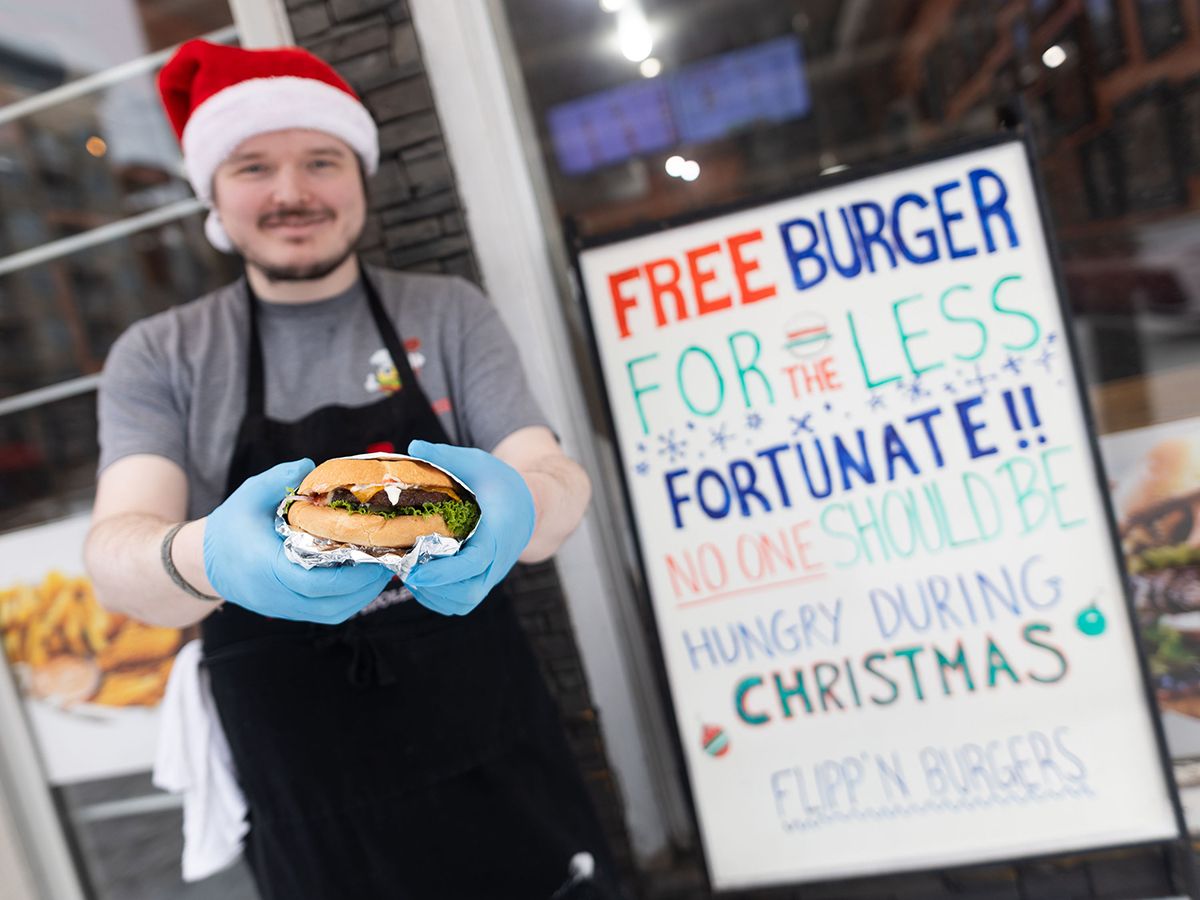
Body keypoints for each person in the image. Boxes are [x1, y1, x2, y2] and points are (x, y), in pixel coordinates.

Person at [84, 39, 622, 900]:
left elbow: (552, 473)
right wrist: (207, 558)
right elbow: (116, 558)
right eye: (254, 165)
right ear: (213, 193)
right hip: (310, 801)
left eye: (321, 161)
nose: (292, 192)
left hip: (498, 765)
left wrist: (522, 505)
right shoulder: (163, 357)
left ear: (361, 177)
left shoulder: (446, 314)